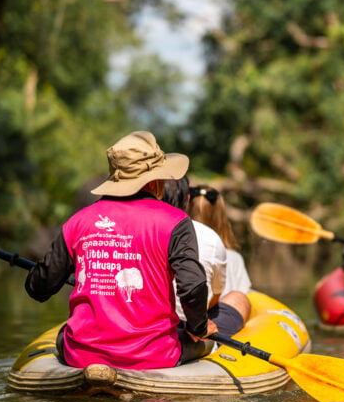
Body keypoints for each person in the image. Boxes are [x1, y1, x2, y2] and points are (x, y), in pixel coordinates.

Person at [24, 130, 217, 370]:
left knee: (63, 334)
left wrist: (40, 273)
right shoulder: (176, 221)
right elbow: (193, 286)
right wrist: (198, 328)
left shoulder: (77, 222)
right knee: (207, 344)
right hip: (154, 355)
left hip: (83, 355)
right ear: (154, 181)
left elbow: (39, 288)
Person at [161, 178, 247, 335]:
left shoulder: (134, 230)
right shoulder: (209, 238)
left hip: (148, 324)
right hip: (182, 332)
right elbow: (203, 292)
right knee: (239, 298)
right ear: (187, 199)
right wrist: (199, 327)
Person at [186, 185, 252, 330]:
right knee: (240, 299)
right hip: (214, 320)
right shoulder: (233, 258)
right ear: (221, 216)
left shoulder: (175, 249)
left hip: (188, 318)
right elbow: (243, 294)